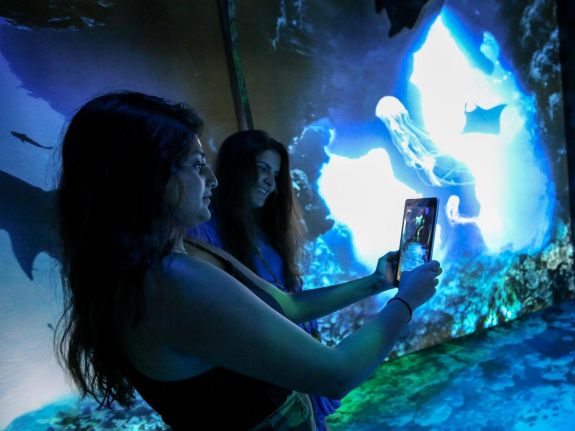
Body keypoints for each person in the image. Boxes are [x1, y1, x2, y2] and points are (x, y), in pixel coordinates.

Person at [55, 91, 441, 430]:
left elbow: (285, 305)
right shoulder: (173, 280)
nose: (213, 180)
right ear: (146, 176)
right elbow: (336, 373)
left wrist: (376, 282)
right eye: (195, 165)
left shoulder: (179, 253)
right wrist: (405, 302)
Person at [187, 129, 393, 429]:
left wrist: (379, 281)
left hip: (296, 367)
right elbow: (287, 307)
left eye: (275, 173)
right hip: (265, 384)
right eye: (262, 169)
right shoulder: (204, 235)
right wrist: (398, 297)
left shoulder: (267, 229)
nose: (271, 182)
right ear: (236, 168)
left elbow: (290, 305)